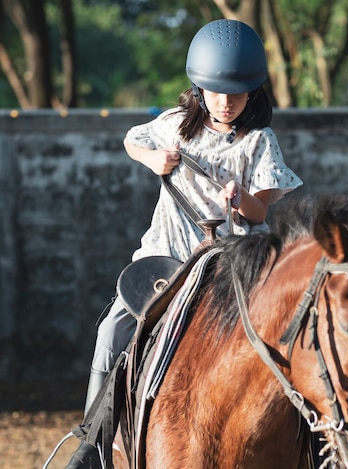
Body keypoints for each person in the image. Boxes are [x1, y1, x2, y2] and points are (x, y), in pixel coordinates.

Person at [66, 18, 302, 467]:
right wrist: (154, 158)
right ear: (198, 88)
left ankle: (311, 443)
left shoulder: (260, 143)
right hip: (167, 258)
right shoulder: (174, 124)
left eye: (237, 93)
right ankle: (91, 447)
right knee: (109, 332)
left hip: (232, 263)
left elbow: (262, 212)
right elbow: (132, 140)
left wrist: (242, 197)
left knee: (288, 335)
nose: (227, 102)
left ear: (254, 91)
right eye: (216, 92)